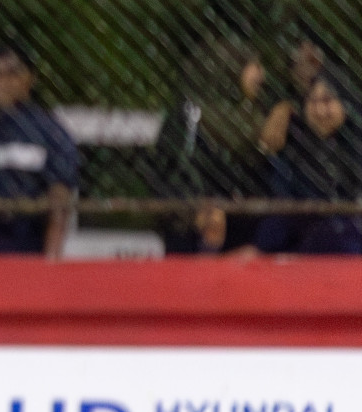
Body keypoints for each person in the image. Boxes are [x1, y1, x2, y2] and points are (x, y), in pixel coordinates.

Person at [149, 36, 274, 253]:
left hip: (240, 232)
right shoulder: (190, 115)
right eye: (253, 65)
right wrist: (199, 211)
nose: (261, 74)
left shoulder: (257, 118)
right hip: (192, 230)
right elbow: (172, 170)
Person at [0, 42, 78, 258]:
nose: (4, 82)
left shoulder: (50, 134)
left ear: (30, 78)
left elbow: (59, 200)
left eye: (12, 73)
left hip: (23, 249)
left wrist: (51, 261)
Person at [252, 70, 362, 254]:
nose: (319, 110)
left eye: (327, 100)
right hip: (297, 246)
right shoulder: (294, 142)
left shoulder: (355, 143)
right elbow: (283, 206)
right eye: (312, 101)